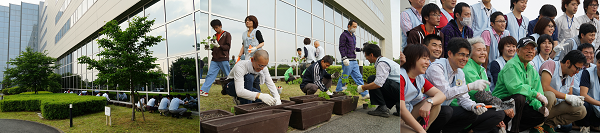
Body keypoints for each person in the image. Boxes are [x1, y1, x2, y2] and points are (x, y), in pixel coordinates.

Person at [425, 38, 491, 133]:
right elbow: (444, 94)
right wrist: (469, 87)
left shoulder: (460, 72)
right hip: (428, 109)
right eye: (462, 55)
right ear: (450, 54)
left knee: (472, 113)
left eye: (467, 56)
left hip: (444, 110)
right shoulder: (437, 68)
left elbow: (463, 99)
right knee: (447, 111)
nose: (465, 59)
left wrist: (474, 106)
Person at [492, 37, 549, 133]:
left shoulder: (532, 69)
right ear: (518, 51)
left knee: (540, 115)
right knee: (520, 97)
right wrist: (537, 95)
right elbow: (515, 88)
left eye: (532, 49)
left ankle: (509, 128)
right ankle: (512, 130)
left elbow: (538, 90)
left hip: (519, 105)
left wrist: (539, 106)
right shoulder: (511, 65)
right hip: (500, 104)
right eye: (527, 48)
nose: (530, 51)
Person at [397, 44, 449, 133]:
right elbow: (401, 109)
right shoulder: (401, 77)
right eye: (424, 58)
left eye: (428, 59)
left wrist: (429, 102)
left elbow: (441, 95)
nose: (427, 62)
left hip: (409, 114)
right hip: (398, 118)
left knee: (435, 104)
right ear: (411, 60)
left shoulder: (419, 78)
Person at [462, 37, 510, 132]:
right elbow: (480, 95)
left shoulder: (481, 69)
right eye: (478, 50)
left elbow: (487, 93)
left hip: (479, 107)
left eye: (484, 50)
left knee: (496, 128)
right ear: (470, 54)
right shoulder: (467, 68)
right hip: (466, 108)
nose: (483, 53)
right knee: (500, 114)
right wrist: (503, 106)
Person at [535, 50, 587, 132]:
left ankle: (548, 124)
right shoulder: (551, 64)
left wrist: (575, 100)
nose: (577, 72)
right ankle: (536, 126)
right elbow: (545, 87)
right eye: (577, 68)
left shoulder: (571, 75)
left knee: (581, 110)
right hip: (538, 106)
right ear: (568, 62)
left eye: (580, 69)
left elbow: (569, 97)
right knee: (550, 96)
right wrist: (567, 97)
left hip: (553, 109)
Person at [335, 20, 369, 98]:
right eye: (353, 26)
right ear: (349, 26)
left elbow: (353, 48)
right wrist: (344, 58)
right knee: (344, 77)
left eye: (356, 27)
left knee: (359, 77)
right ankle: (337, 92)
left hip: (354, 60)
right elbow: (341, 47)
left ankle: (364, 94)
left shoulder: (353, 36)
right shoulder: (344, 35)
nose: (355, 28)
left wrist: (361, 49)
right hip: (347, 60)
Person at [199, 19, 232, 97]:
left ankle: (233, 89)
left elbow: (228, 46)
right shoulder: (214, 36)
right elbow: (214, 47)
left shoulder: (227, 34)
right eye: (213, 28)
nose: (215, 29)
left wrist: (219, 46)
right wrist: (210, 47)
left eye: (216, 27)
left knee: (229, 76)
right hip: (215, 59)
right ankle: (204, 91)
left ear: (221, 26)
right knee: (210, 74)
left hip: (223, 58)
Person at [574, 52, 600, 132]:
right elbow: (583, 95)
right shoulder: (588, 72)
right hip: (591, 108)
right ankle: (586, 125)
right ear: (596, 62)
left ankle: (594, 126)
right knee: (585, 104)